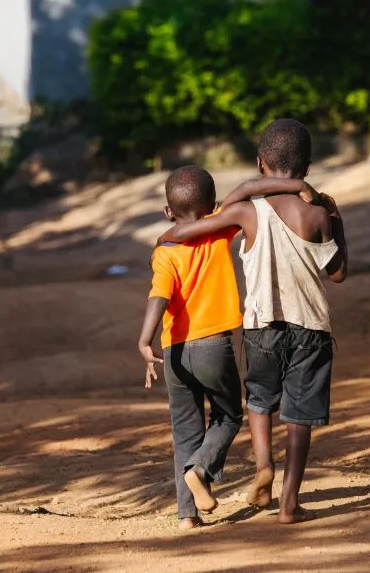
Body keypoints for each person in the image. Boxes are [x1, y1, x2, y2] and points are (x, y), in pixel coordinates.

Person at [156, 119, 348, 524]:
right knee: (299, 417)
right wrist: (336, 219)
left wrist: (167, 237)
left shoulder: (246, 211)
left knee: (259, 401)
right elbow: (338, 273)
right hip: (310, 327)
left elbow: (188, 230)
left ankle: (264, 467)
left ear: (261, 163)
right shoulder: (317, 215)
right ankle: (289, 504)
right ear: (307, 167)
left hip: (261, 326)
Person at [137, 164, 319, 530]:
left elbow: (159, 296)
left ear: (168, 212)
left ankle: (187, 516)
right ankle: (200, 470)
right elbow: (249, 187)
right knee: (227, 416)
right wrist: (298, 184)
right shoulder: (220, 227)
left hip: (174, 351)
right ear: (213, 204)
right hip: (213, 346)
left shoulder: (165, 251)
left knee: (184, 428)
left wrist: (144, 340)